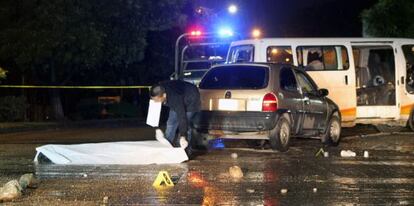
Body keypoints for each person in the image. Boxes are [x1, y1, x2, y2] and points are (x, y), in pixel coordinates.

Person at [150, 80, 200, 155]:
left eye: (157, 100)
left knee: (186, 123)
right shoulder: (157, 92)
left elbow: (182, 117)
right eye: (154, 100)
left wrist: (183, 135)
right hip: (179, 93)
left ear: (164, 95)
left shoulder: (175, 98)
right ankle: (166, 145)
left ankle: (184, 149)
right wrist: (157, 128)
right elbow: (154, 112)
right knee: (171, 122)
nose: (155, 102)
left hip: (191, 98)